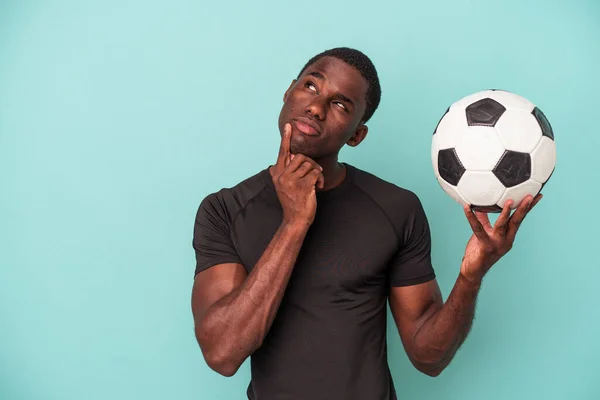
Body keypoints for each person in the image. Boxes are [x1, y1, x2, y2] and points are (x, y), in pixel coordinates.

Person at [190, 47, 542, 400]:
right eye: (311, 86)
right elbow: (222, 354)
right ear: (288, 92)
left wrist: (470, 278)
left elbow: (427, 357)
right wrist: (294, 223)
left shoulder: (395, 208)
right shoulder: (223, 210)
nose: (316, 107)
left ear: (357, 135)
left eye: (340, 105)